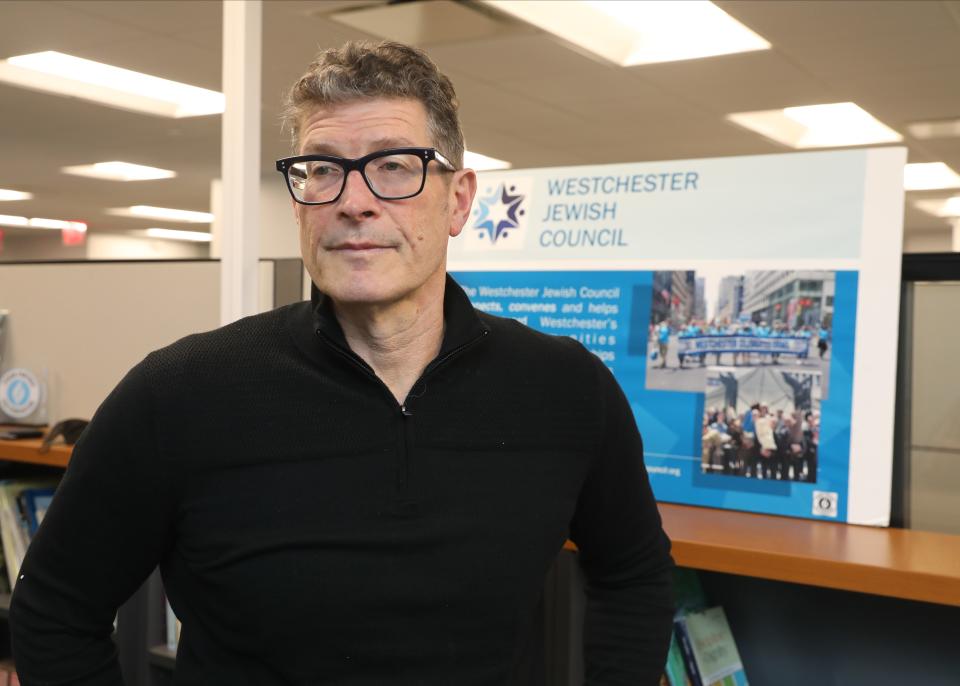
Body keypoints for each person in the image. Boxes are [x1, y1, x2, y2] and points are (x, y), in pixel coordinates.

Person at [9, 41, 674, 685]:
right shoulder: (179, 394)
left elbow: (635, 574)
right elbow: (54, 611)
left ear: (460, 200)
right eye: (323, 168)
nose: (354, 200)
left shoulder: (564, 389)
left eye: (394, 165)